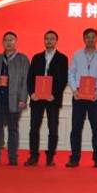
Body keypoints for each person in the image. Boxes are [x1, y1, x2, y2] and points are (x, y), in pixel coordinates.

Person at [0, 31, 30, 166]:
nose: (9, 42)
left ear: (16, 42)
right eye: (6, 40)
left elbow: (26, 82)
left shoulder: (23, 59)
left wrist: (23, 99)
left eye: (11, 40)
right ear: (2, 42)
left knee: (13, 130)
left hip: (14, 101)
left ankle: (12, 158)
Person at [66, 28, 97, 168]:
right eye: (88, 37)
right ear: (84, 39)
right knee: (76, 128)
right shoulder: (77, 54)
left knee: (96, 128)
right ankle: (74, 158)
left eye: (93, 37)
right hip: (79, 96)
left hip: (95, 96)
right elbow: (71, 73)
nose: (90, 39)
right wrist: (74, 90)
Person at [25, 30, 68, 166]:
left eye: (52, 38)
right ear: (44, 40)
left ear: (56, 41)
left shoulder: (62, 58)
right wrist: (32, 93)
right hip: (37, 98)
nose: (49, 41)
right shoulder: (36, 57)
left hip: (52, 99)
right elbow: (30, 78)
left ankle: (50, 156)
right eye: (47, 38)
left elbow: (63, 80)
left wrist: (54, 94)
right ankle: (33, 156)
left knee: (53, 128)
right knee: (34, 128)